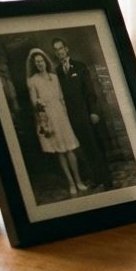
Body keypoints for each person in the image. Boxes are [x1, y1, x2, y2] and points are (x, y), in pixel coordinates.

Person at [24, 48, 89, 196]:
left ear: (45, 62)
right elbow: (33, 101)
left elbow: (61, 98)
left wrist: (66, 113)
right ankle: (71, 183)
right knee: (60, 151)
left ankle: (79, 181)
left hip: (61, 114)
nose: (40, 64)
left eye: (41, 61)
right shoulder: (32, 81)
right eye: (37, 62)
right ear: (34, 65)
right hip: (48, 116)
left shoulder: (54, 77)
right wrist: (39, 103)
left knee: (70, 148)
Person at [51, 37, 114, 189]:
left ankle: (107, 180)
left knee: (95, 146)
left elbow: (89, 92)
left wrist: (93, 112)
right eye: (56, 50)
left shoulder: (80, 66)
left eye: (61, 48)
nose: (60, 52)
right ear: (55, 53)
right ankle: (96, 179)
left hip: (87, 115)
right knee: (84, 150)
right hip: (71, 118)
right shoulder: (57, 73)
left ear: (66, 49)